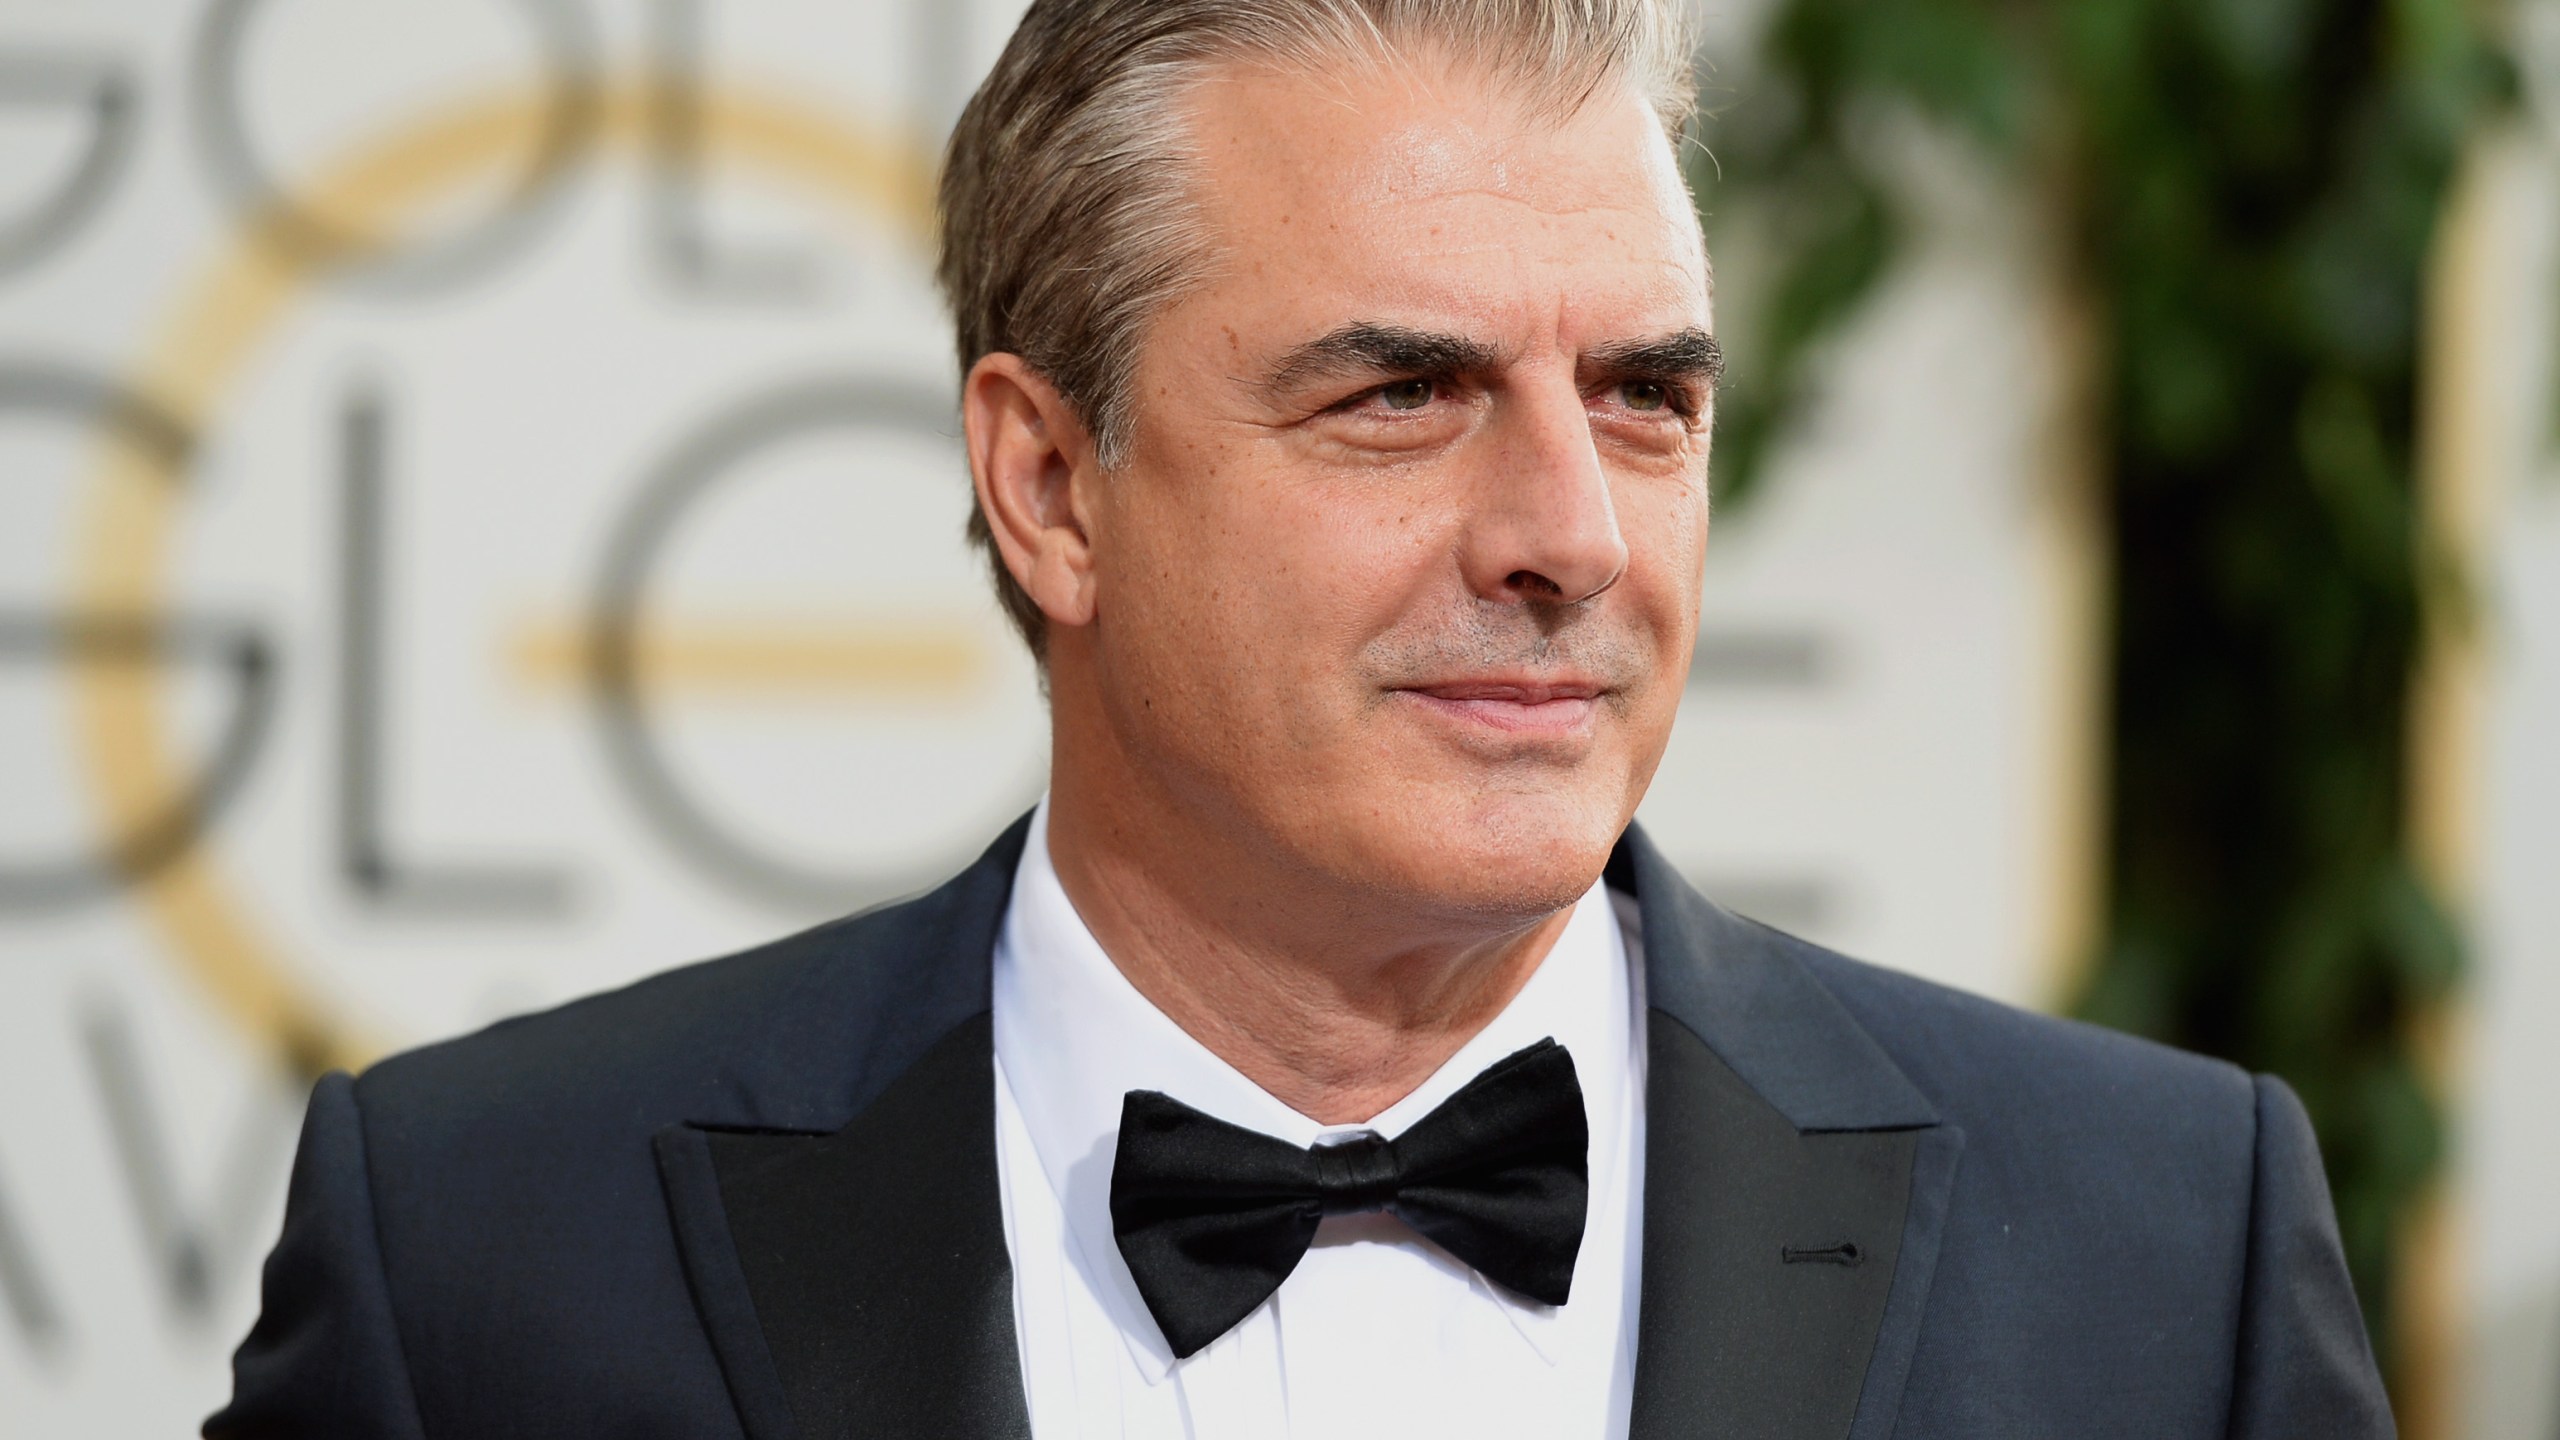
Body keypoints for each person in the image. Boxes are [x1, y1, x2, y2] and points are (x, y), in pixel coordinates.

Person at [207, 2, 2392, 1436]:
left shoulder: (2155, 1254)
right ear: (1050, 485)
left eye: (1643, 401)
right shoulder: (486, 1254)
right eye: (1400, 395)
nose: (1568, 536)